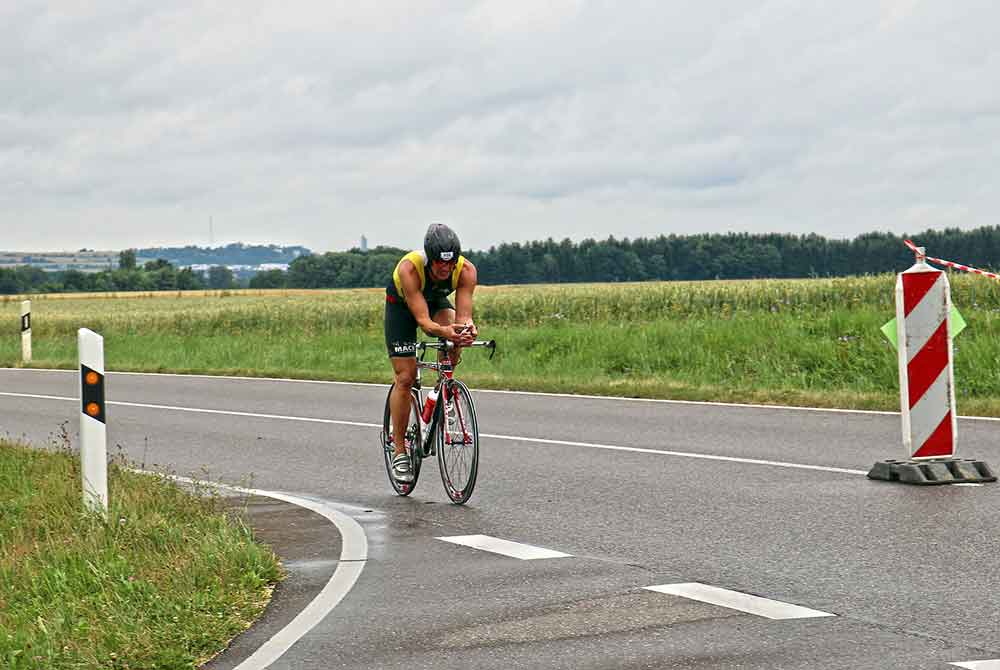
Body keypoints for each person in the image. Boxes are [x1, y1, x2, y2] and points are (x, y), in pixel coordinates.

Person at [384, 223, 478, 482]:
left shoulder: (466, 271)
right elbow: (425, 324)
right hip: (403, 308)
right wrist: (445, 331)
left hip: (435, 302)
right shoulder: (410, 268)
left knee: (456, 335)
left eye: (451, 263)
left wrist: (466, 330)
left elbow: (464, 316)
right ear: (429, 259)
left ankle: (444, 392)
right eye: (440, 264)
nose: (446, 269)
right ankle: (400, 451)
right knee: (405, 377)